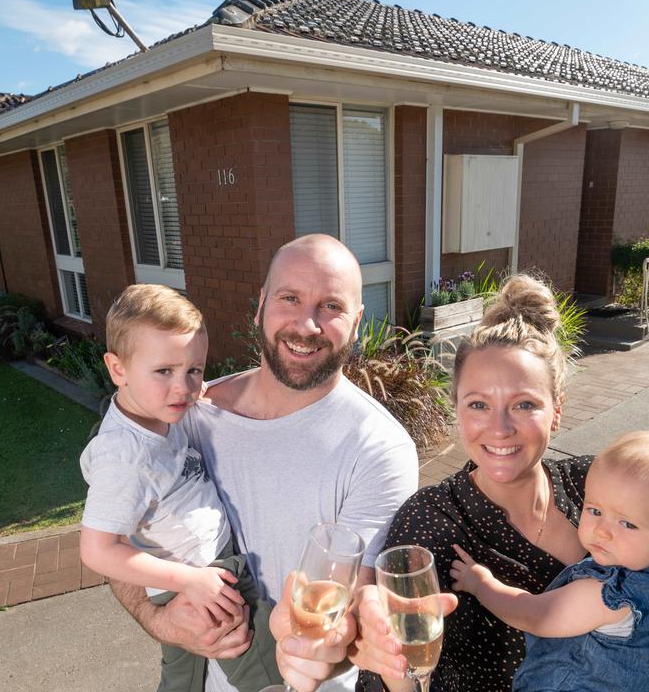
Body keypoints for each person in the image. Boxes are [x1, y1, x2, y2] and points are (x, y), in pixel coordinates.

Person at [354, 274, 649, 692]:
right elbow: (384, 674)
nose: (500, 427)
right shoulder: (432, 521)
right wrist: (391, 666)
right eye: (478, 404)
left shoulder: (598, 483)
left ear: (556, 411)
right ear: (457, 410)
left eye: (524, 404)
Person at [109, 235, 420, 692]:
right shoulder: (188, 413)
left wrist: (323, 644)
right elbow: (116, 535)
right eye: (289, 298)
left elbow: (351, 603)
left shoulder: (378, 449)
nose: (306, 324)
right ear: (260, 305)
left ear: (355, 323)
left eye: (330, 306)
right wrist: (160, 621)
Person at [78, 284, 282, 692]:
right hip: (206, 577)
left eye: (194, 369)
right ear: (118, 369)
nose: (184, 388)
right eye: (164, 371)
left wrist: (193, 389)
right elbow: (96, 550)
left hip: (189, 578)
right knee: (267, 672)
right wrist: (188, 582)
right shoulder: (126, 457)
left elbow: (184, 390)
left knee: (182, 676)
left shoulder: (154, 413)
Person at [450, 430, 649, 692]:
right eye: (595, 510)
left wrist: (480, 583)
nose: (601, 530)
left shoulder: (608, 595)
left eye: (627, 523)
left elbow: (533, 614)